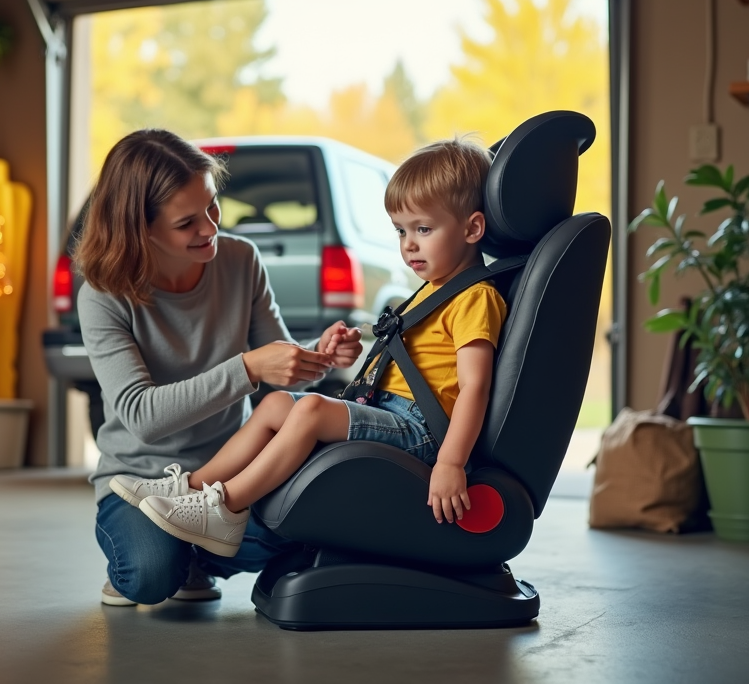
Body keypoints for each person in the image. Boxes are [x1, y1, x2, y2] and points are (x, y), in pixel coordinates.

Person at [118, 137, 508, 558]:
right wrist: (329, 353)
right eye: (401, 230)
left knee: (309, 409)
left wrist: (450, 463)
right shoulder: (434, 291)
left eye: (423, 229)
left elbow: (474, 388)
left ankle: (226, 509)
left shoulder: (472, 298)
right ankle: (191, 487)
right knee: (276, 405)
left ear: (472, 229)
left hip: (422, 432)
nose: (408, 244)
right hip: (392, 411)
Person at [75, 129, 363, 606]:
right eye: (187, 222)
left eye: (212, 206)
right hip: (142, 485)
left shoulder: (240, 259)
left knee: (315, 526)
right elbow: (143, 417)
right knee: (149, 578)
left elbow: (277, 357)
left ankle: (199, 555)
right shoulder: (103, 296)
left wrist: (321, 355)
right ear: (141, 229)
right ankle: (167, 556)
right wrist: (248, 368)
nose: (210, 228)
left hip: (229, 479)